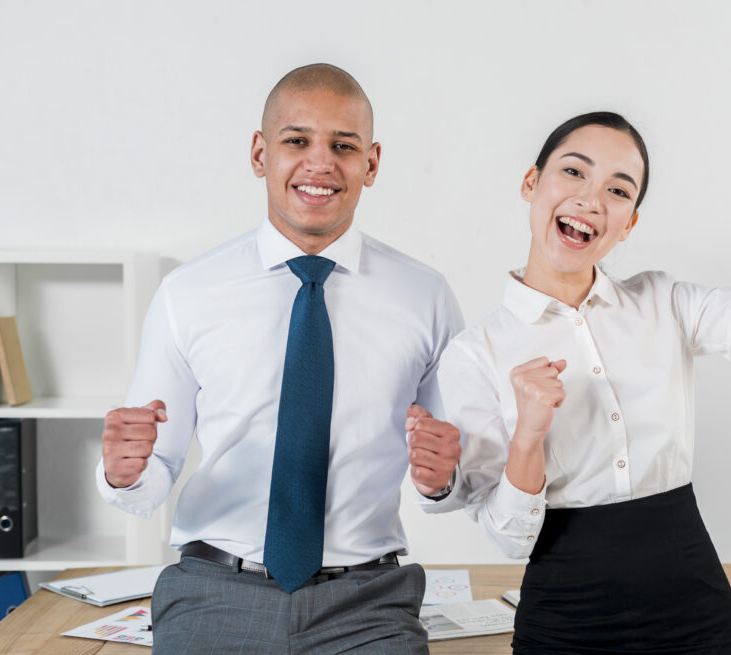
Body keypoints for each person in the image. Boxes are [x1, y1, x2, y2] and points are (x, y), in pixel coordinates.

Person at [433, 96, 731, 654]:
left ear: (629, 224)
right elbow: (509, 537)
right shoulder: (476, 353)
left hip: (696, 615)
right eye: (574, 171)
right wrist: (528, 436)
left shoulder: (664, 303)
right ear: (532, 182)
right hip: (565, 623)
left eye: (618, 190)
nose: (590, 199)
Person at [96, 63, 464, 655]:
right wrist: (123, 468)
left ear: (371, 164)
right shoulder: (188, 294)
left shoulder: (426, 296)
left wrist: (442, 476)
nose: (319, 163)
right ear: (259, 152)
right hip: (213, 592)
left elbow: (451, 477)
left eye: (343, 146)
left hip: (367, 602)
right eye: (297, 141)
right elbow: (146, 482)